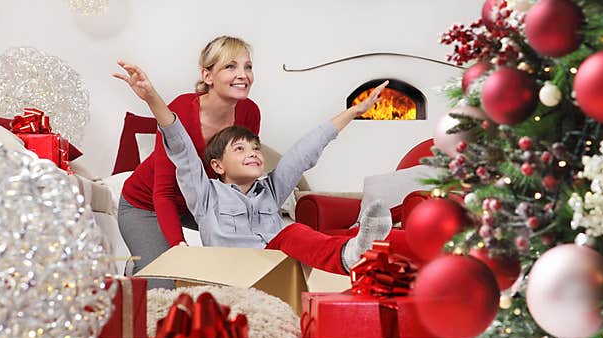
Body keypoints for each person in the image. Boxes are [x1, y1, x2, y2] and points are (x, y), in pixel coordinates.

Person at [114, 61, 396, 274]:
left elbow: (304, 151)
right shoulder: (205, 195)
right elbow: (181, 149)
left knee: (295, 232)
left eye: (255, 148)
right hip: (230, 271)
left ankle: (356, 252)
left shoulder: (271, 191)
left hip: (269, 267)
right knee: (166, 283)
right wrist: (151, 96)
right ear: (217, 165)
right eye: (239, 149)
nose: (252, 154)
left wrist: (353, 112)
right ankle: (138, 270)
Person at [117, 36, 260, 289]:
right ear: (207, 75)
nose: (243, 75)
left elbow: (236, 179)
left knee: (240, 268)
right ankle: (140, 269)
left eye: (247, 67)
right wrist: (178, 247)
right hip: (145, 204)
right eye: (230, 66)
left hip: (198, 203)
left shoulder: (249, 112)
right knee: (166, 286)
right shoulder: (181, 110)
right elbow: (163, 192)